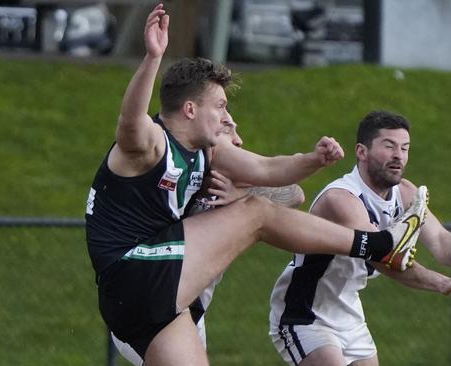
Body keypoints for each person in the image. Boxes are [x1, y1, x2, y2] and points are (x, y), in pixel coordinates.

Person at [85, 4, 425, 365]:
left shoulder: (208, 153)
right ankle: (381, 243)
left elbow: (269, 170)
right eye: (219, 107)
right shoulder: (152, 144)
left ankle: (383, 244)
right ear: (189, 110)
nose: (225, 118)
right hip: (136, 273)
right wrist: (153, 57)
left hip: (156, 303)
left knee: (255, 207)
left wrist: (313, 159)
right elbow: (129, 122)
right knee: (256, 213)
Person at [269, 111, 451, 366]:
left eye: (405, 148)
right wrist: (440, 282)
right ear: (361, 151)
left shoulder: (407, 193)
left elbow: (442, 242)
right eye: (389, 146)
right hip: (305, 311)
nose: (398, 155)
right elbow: (384, 259)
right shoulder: (342, 199)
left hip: (348, 311)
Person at [110, 118, 306, 366]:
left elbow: (294, 193)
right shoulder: (183, 176)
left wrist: (242, 197)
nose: (239, 140)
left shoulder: (231, 182)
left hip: (190, 311)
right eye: (229, 130)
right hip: (151, 307)